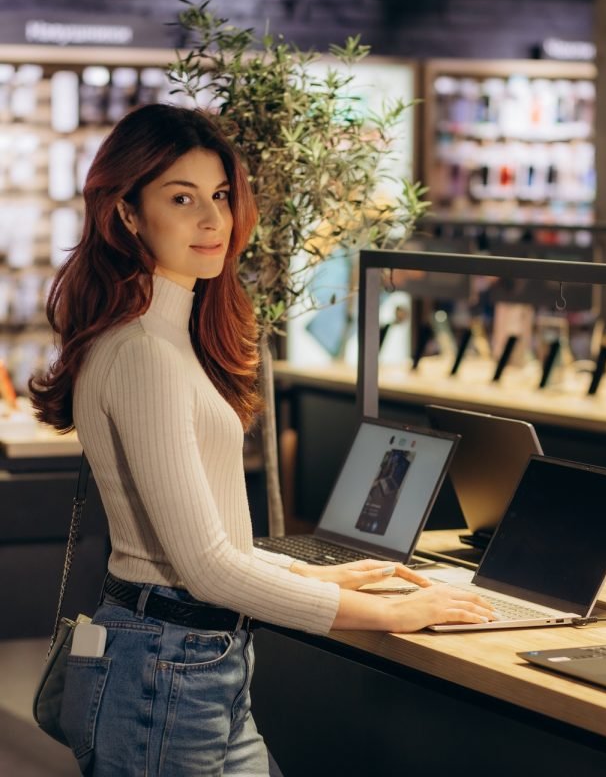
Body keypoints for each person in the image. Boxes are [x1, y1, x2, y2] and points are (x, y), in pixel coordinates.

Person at [30, 103, 493, 776]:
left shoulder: (164, 339)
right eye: (181, 198)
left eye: (219, 196)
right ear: (127, 213)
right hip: (167, 671)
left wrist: (307, 572)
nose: (212, 220)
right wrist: (389, 614)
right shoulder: (141, 354)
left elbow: (205, 547)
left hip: (194, 662)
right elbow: (204, 568)